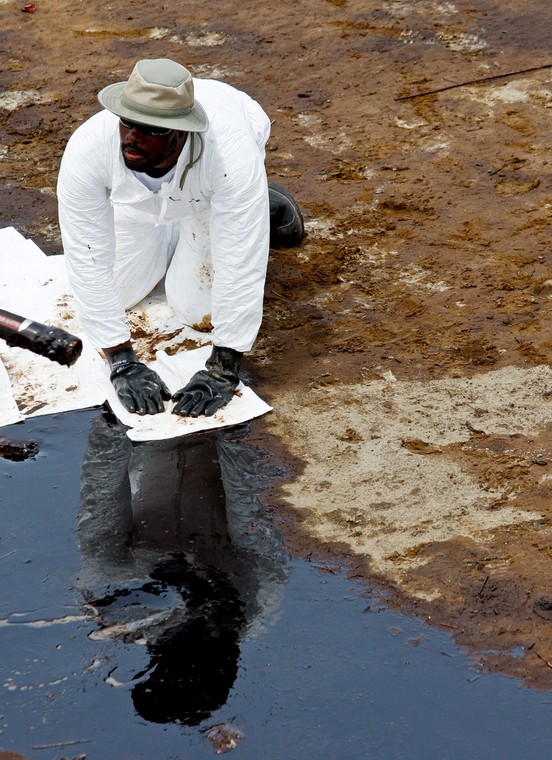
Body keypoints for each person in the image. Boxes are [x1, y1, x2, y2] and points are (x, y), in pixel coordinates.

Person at [57, 58, 304, 417]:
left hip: (207, 192)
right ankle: (179, 225)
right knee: (120, 293)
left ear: (182, 132)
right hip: (136, 205)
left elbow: (241, 261)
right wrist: (121, 360)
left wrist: (223, 368)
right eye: (128, 121)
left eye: (151, 129)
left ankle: (255, 204)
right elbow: (87, 256)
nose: (132, 137)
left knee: (199, 311)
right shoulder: (88, 149)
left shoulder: (229, 156)